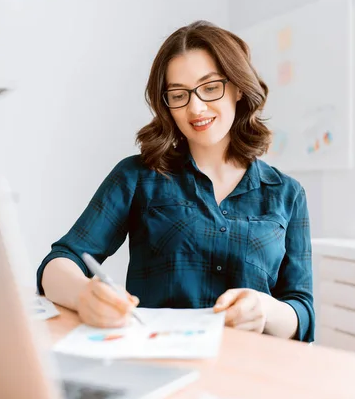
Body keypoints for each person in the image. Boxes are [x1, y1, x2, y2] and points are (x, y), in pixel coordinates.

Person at [37, 20, 314, 342]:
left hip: (252, 369)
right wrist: (85, 294)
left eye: (211, 88)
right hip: (159, 362)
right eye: (178, 94)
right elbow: (58, 264)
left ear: (239, 87)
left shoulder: (286, 193)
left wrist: (265, 310)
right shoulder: (137, 176)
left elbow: (302, 312)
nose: (196, 108)